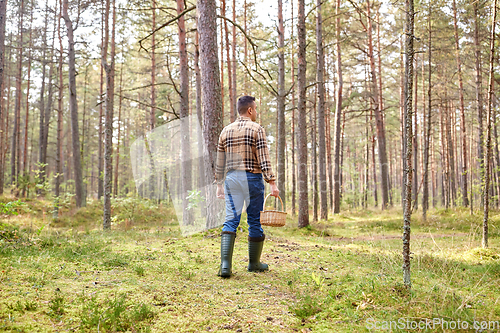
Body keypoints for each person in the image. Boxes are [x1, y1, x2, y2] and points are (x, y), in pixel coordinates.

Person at [214, 95, 279, 278]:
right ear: (250, 110)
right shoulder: (257, 129)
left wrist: (219, 185)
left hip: (232, 178)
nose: (256, 112)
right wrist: (272, 182)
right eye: (256, 109)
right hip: (252, 179)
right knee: (254, 221)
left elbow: (220, 162)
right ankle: (254, 263)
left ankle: (225, 266)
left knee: (230, 220)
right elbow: (264, 159)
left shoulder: (225, 131)